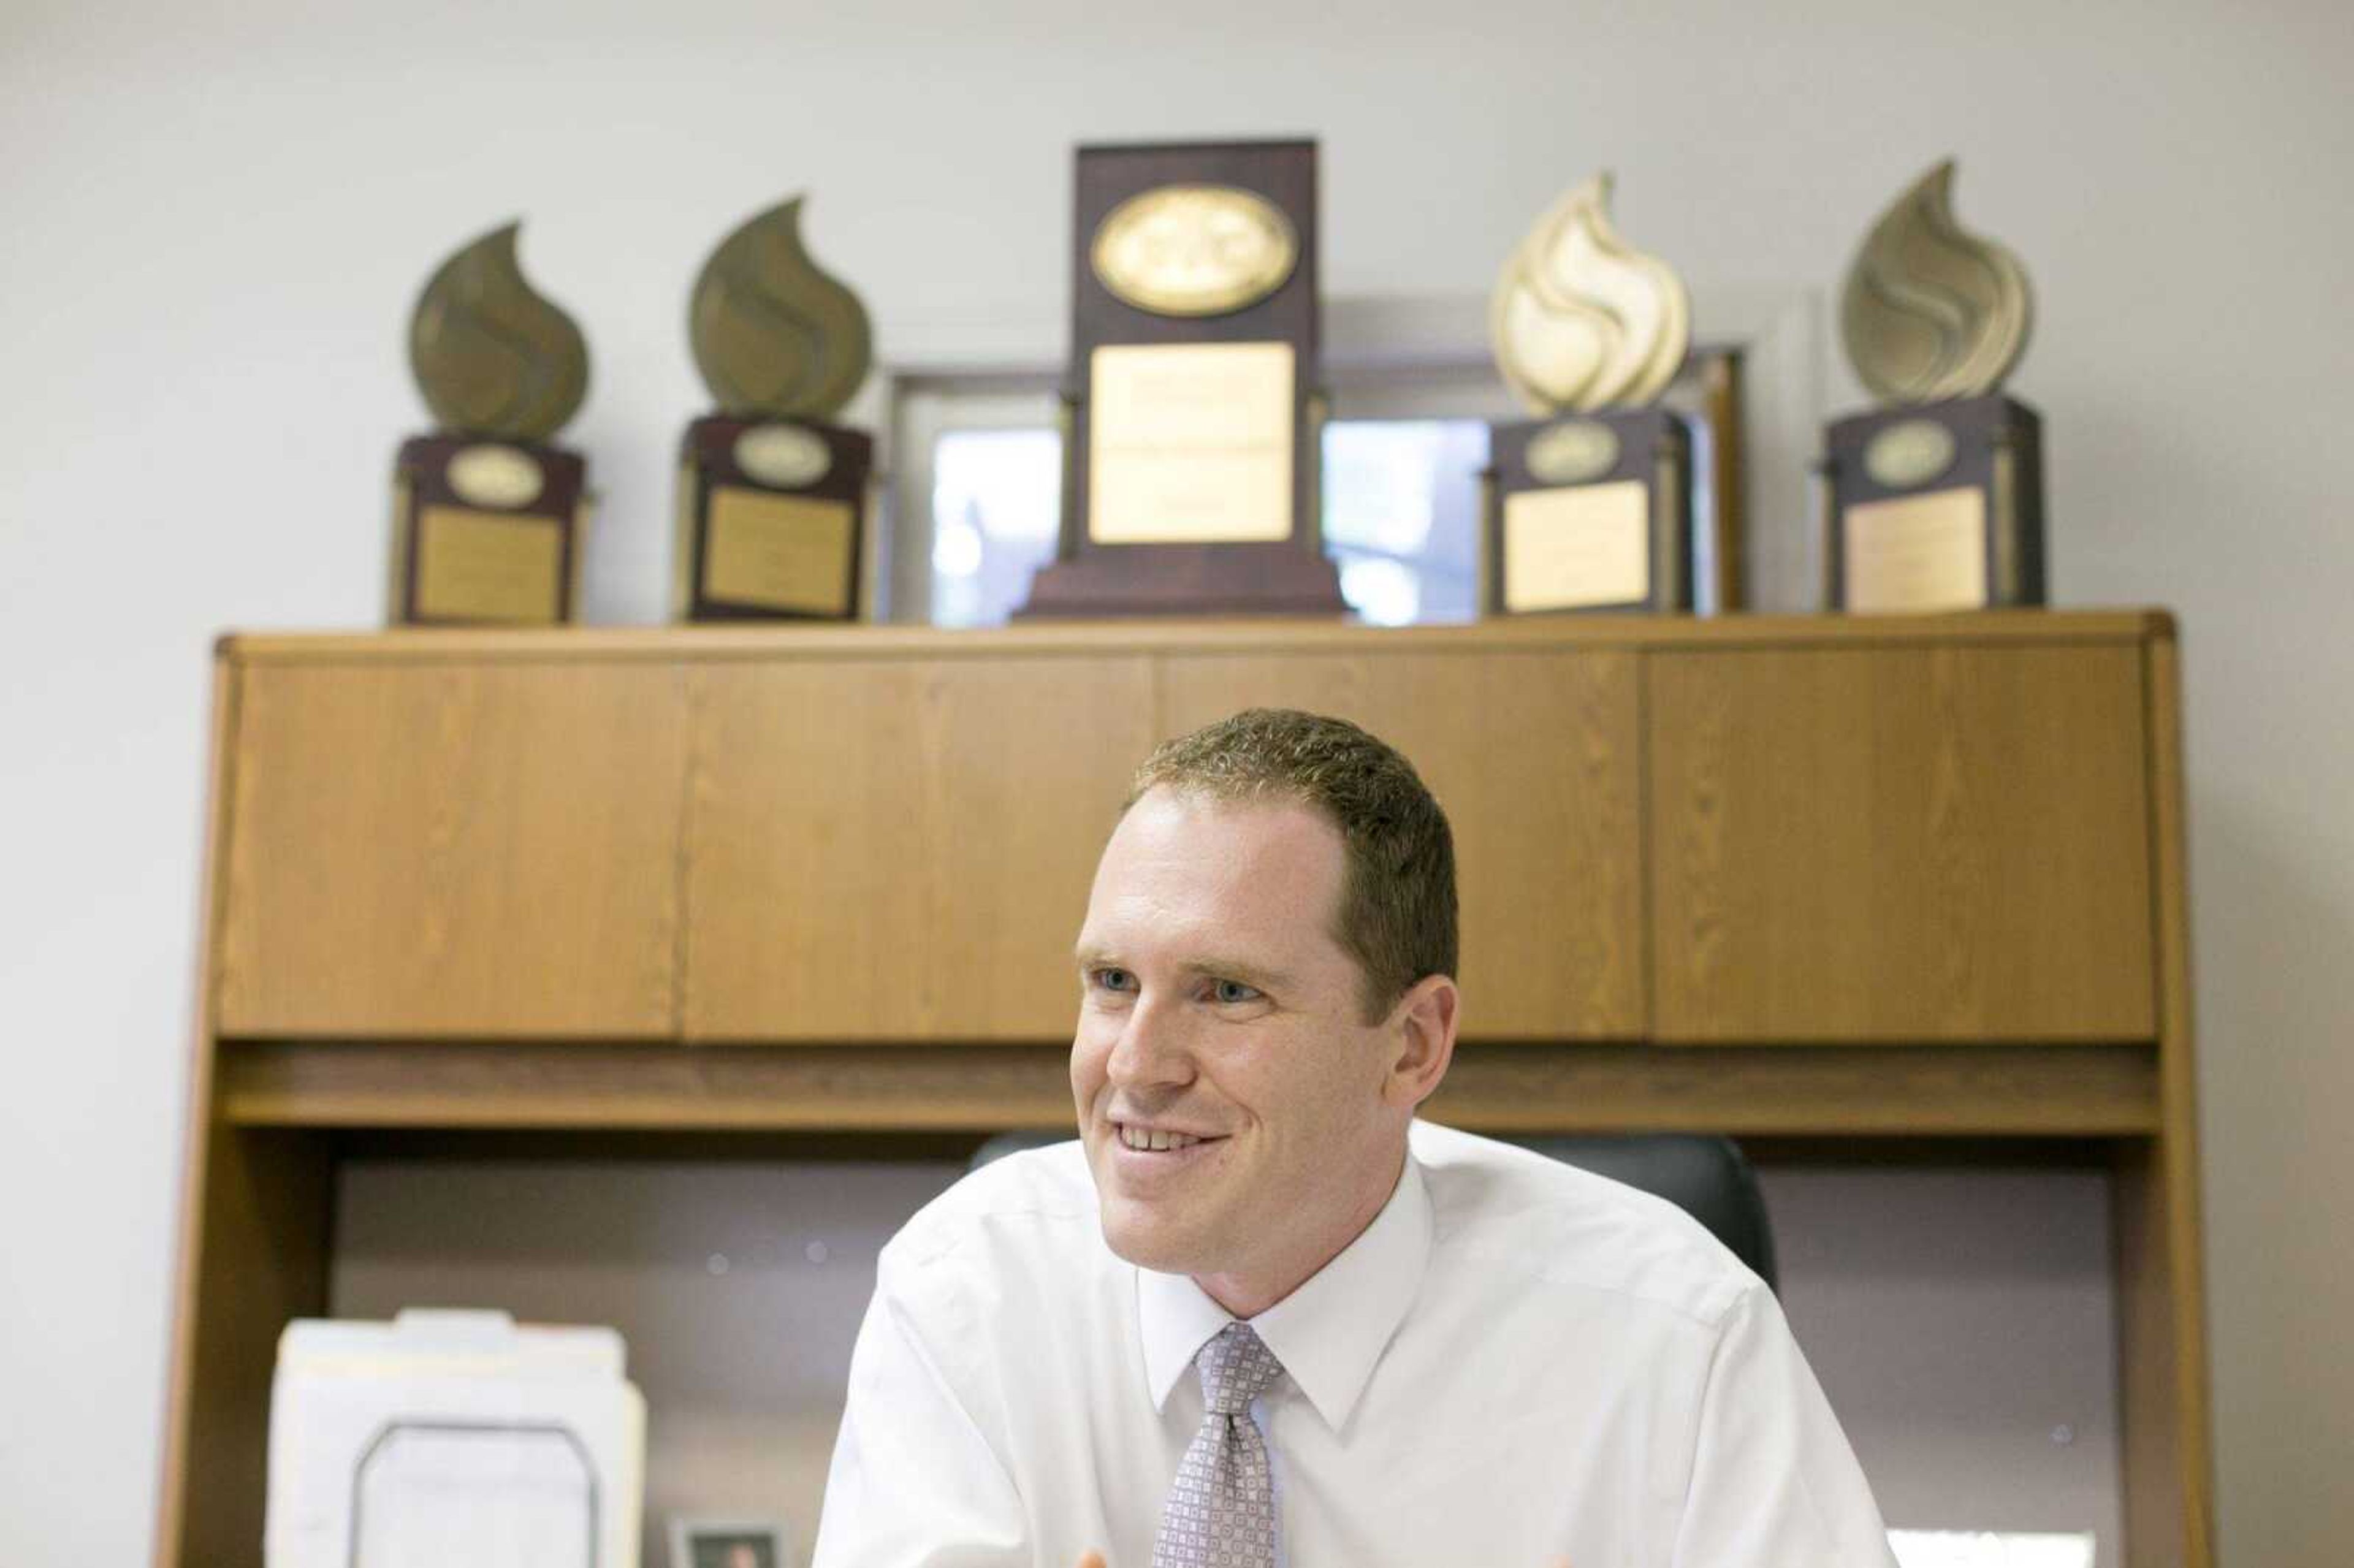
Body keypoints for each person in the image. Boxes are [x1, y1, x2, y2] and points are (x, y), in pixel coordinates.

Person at [813, 709, 1895, 1567]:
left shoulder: (1677, 1340)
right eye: (1112, 982)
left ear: (1413, 1043)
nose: (1136, 1064)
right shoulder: (969, 1290)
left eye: (1226, 990)